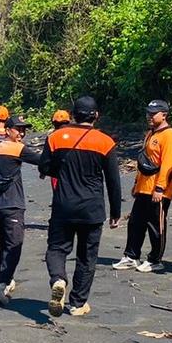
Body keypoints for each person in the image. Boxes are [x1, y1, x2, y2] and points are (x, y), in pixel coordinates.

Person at [38, 96, 122, 317]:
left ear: (73, 115)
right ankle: (77, 303)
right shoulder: (105, 142)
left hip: (63, 204)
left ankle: (58, 279)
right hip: (92, 208)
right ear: (96, 116)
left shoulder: (56, 138)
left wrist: (63, 172)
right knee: (87, 256)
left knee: (57, 248)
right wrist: (116, 212)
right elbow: (113, 180)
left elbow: (45, 166)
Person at [0, 115, 42, 305]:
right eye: (18, 129)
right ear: (7, 130)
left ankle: (6, 280)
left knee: (6, 245)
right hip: (12, 204)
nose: (22, 133)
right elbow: (42, 160)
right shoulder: (15, 148)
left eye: (24, 129)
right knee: (15, 245)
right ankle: (0, 284)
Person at [112, 100, 172, 273]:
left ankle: (155, 259)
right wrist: (136, 184)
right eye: (148, 113)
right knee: (135, 222)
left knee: (156, 225)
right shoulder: (151, 133)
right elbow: (144, 161)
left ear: (164, 115)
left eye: (153, 113)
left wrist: (160, 188)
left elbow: (168, 164)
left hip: (158, 188)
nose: (149, 116)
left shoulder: (169, 135)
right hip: (144, 186)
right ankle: (131, 256)